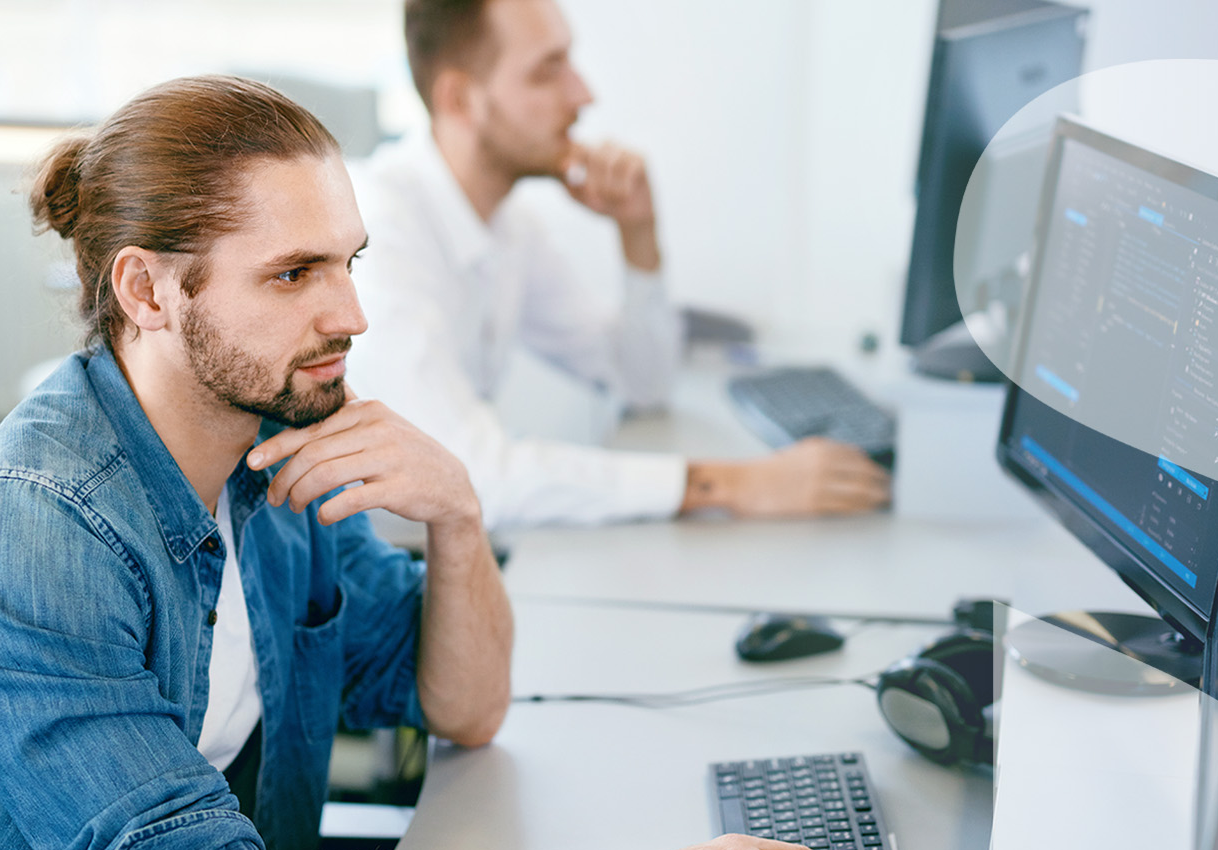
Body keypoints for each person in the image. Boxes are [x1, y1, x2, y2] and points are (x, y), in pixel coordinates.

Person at [0, 76, 877, 850]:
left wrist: (456, 520)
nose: (352, 313)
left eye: (350, 262)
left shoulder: (271, 454)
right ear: (148, 291)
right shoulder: (25, 533)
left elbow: (462, 703)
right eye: (294, 275)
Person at [345, 0, 891, 529]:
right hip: (370, 581)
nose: (583, 95)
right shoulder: (377, 238)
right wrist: (731, 485)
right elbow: (465, 474)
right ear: (460, 99)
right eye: (547, 71)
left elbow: (641, 380)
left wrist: (639, 233)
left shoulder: (509, 227)